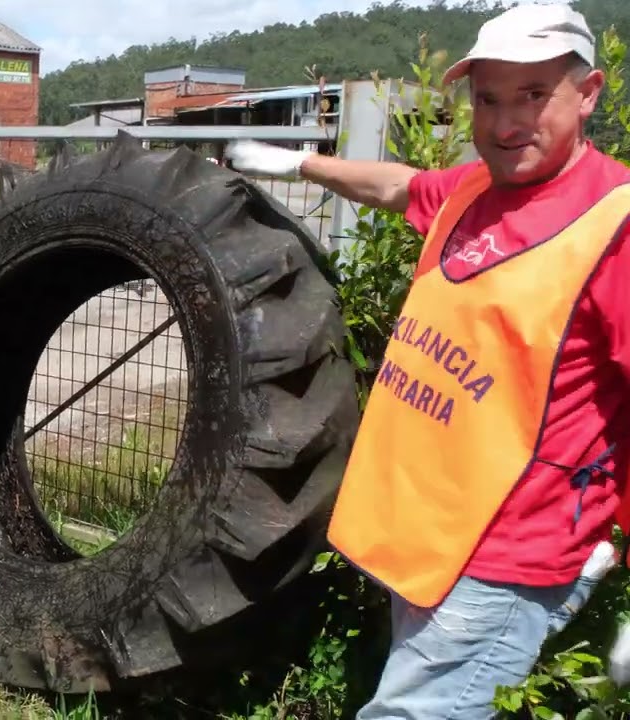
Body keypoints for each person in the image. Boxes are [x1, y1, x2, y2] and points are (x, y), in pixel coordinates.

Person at [226, 4, 630, 717]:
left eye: (534, 96)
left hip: (508, 556)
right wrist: (298, 161)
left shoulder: (615, 225)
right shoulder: (477, 188)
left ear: (589, 91)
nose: (506, 125)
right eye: (489, 99)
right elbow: (396, 186)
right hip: (428, 531)